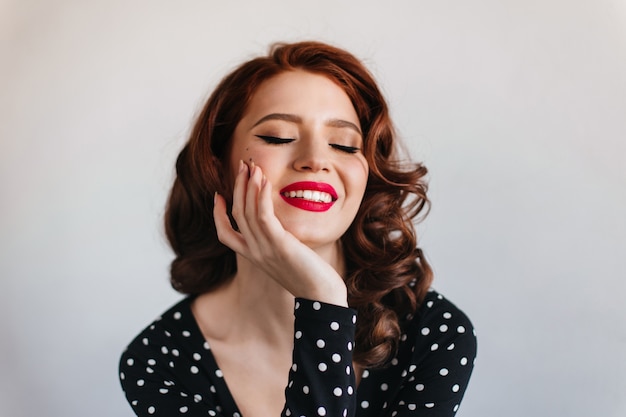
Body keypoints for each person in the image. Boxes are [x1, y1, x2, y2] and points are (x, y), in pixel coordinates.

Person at [119, 41, 477, 417]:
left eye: (344, 144)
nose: (316, 160)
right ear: (218, 166)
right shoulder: (158, 363)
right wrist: (320, 304)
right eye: (277, 137)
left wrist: (321, 303)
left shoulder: (433, 333)